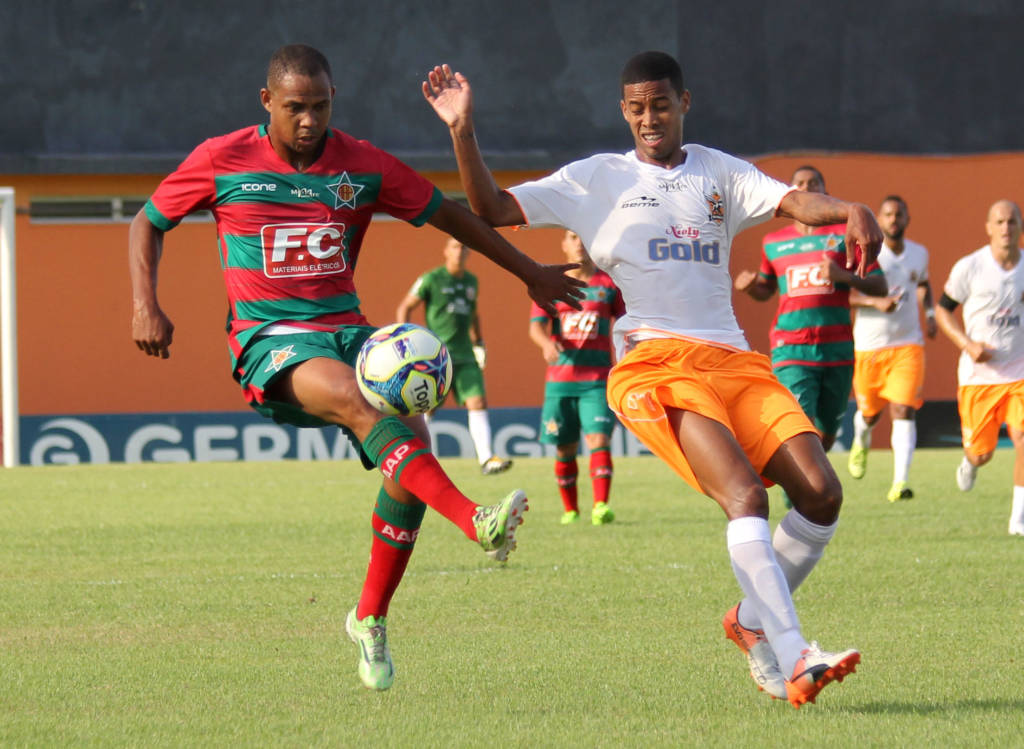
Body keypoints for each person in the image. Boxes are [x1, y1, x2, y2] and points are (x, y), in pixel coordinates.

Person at [423, 51, 875, 707]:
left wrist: (846, 209)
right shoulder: (596, 178)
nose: (648, 118)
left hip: (736, 362)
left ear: (683, 103)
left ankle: (749, 623)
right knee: (745, 497)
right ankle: (794, 652)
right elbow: (491, 207)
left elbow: (793, 200)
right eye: (635, 108)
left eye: (660, 104)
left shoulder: (718, 170)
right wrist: (462, 129)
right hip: (657, 364)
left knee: (823, 495)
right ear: (623, 111)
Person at [128, 44, 585, 692]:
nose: (310, 119)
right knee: (357, 400)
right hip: (270, 339)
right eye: (295, 108)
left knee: (412, 447)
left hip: (350, 331)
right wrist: (145, 304)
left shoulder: (361, 164)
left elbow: (448, 214)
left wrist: (530, 272)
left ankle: (368, 616)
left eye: (320, 105)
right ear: (267, 103)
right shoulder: (222, 158)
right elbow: (146, 222)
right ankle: (475, 520)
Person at [735, 166, 887, 453]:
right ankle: (798, 495)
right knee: (799, 424)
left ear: (825, 192)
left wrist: (845, 277)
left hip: (837, 348)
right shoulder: (774, 242)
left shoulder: (845, 235)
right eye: (800, 184)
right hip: (791, 347)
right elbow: (766, 290)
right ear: (790, 193)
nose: (807, 188)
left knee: (827, 433)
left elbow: (880, 285)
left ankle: (811, 482)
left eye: (814, 183)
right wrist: (750, 287)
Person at [935, 200, 1024, 536]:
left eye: (1012, 221)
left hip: (1019, 374)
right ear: (988, 227)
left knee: (1023, 437)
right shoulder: (969, 267)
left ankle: (1018, 521)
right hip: (978, 379)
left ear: (1019, 226)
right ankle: (970, 462)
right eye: (999, 222)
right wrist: (967, 345)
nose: (1006, 228)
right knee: (981, 453)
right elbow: (943, 311)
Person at [528, 230, 625, 526]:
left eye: (583, 236)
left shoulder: (608, 285)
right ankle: (570, 510)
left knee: (599, 439)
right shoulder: (552, 283)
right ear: (564, 245)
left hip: (596, 379)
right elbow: (536, 326)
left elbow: (623, 322)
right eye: (572, 236)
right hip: (560, 382)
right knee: (565, 447)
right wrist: (546, 343)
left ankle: (600, 507)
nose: (579, 242)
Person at [396, 237, 513, 474]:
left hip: (466, 356)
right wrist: (402, 342)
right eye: (455, 246)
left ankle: (487, 459)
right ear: (446, 251)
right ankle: (414, 456)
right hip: (436, 357)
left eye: (464, 247)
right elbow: (405, 307)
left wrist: (478, 342)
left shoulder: (471, 282)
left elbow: (473, 314)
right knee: (428, 406)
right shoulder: (431, 278)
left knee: (478, 401)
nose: (460, 251)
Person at [847, 195, 937, 501]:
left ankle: (901, 482)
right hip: (869, 347)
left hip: (907, 345)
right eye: (887, 214)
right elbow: (845, 295)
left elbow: (923, 283)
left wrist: (930, 314)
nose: (893, 219)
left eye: (899, 214)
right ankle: (861, 439)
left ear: (907, 219)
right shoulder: (866, 253)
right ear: (879, 220)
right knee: (869, 415)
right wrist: (875, 301)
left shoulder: (919, 253)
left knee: (903, 409)